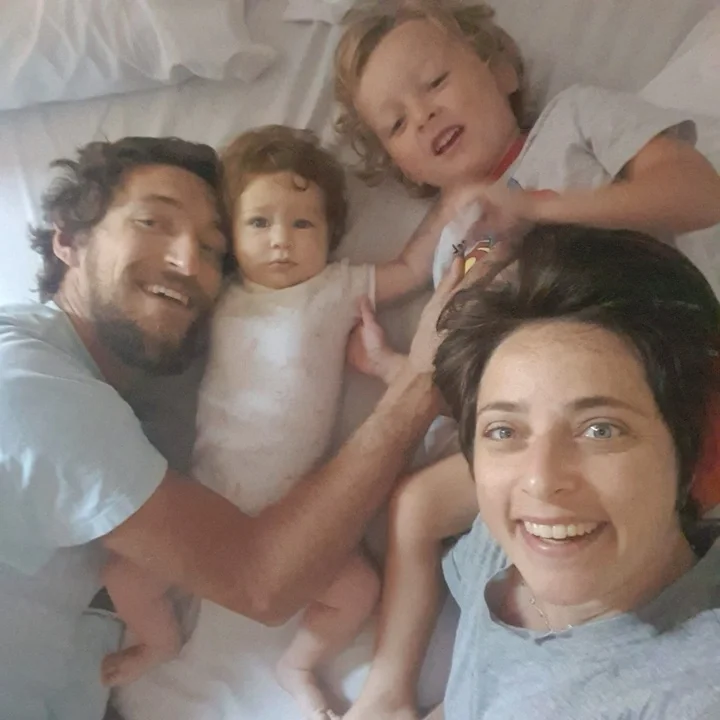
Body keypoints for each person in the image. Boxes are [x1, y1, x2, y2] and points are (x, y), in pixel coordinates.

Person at [333, 2, 720, 716]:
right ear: (397, 163)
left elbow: (698, 193)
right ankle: (386, 692)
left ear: (503, 68)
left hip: (659, 389)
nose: (423, 115)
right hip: (538, 440)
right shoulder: (454, 247)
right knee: (415, 504)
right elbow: (467, 378)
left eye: (435, 82)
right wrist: (396, 369)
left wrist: (537, 208)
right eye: (396, 124)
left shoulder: (575, 121)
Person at [0, 135, 458, 720]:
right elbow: (259, 580)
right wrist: (419, 383)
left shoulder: (106, 402)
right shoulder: (28, 382)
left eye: (213, 248)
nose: (188, 262)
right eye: (152, 222)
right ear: (68, 238)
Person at [427, 224, 720, 718]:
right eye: (504, 430)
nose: (540, 481)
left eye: (601, 430)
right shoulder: (499, 547)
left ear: (696, 451)